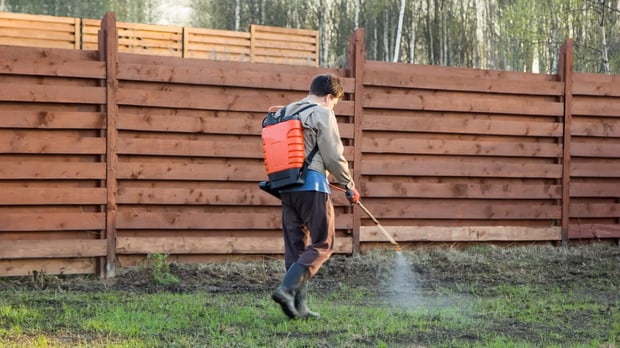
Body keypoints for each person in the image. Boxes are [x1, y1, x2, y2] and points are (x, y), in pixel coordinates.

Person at [271, 74, 360, 320]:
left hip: (286, 186)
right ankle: (287, 290)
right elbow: (333, 156)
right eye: (334, 103)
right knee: (323, 242)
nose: (333, 108)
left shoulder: (285, 111)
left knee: (296, 246)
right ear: (329, 97)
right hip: (312, 187)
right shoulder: (322, 112)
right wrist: (349, 185)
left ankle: (299, 308)